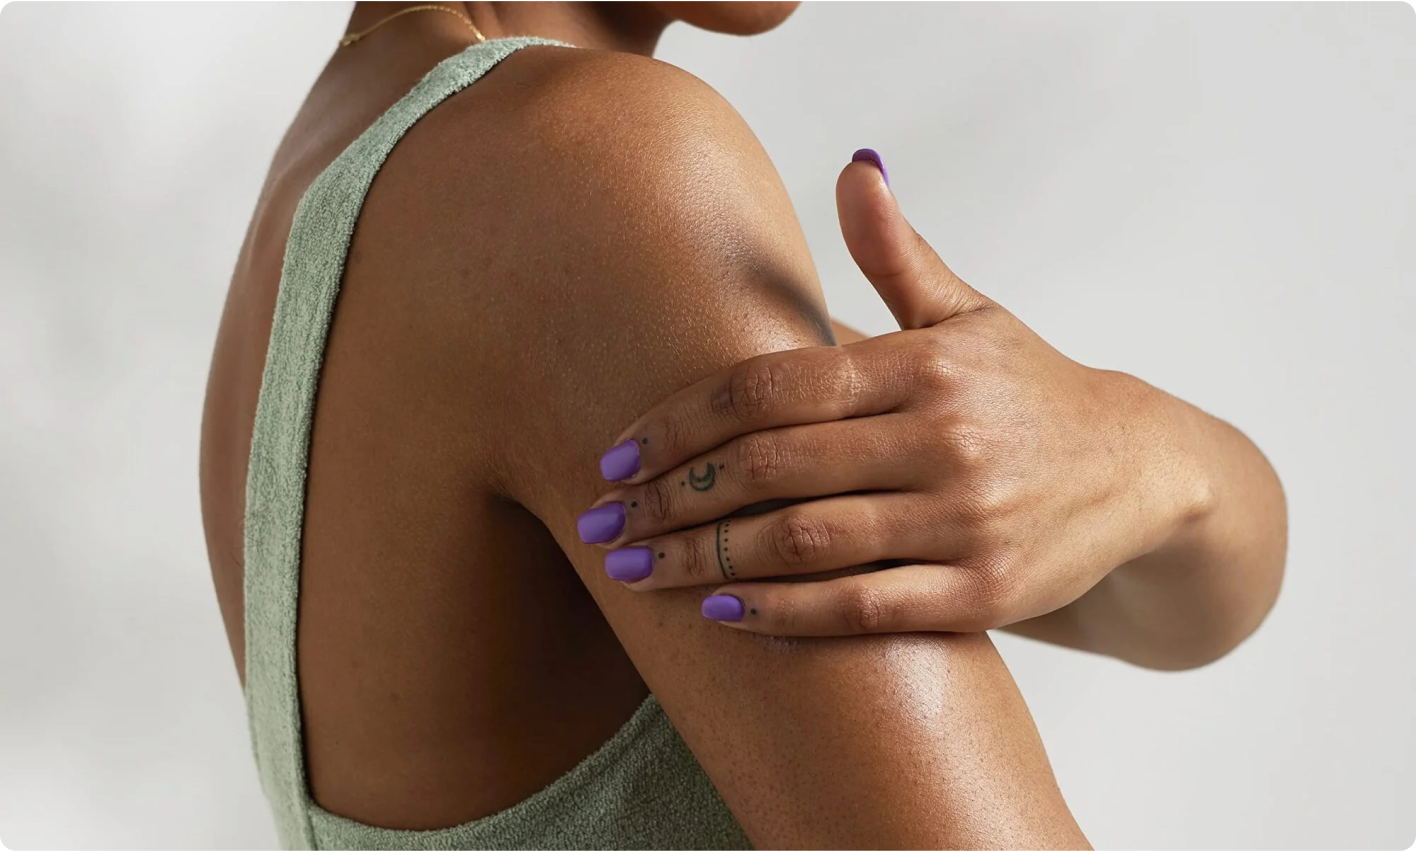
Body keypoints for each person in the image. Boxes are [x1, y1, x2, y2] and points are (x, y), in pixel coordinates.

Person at [199, 2, 1284, 849]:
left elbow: (1185, 607)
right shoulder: (582, 165)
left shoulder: (332, 195)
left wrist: (1134, 447)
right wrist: (1149, 457)